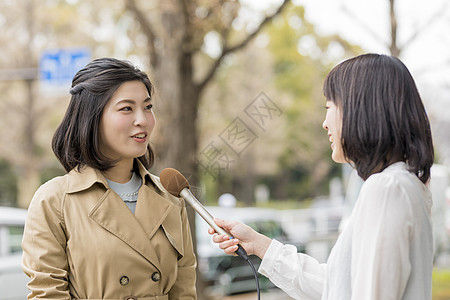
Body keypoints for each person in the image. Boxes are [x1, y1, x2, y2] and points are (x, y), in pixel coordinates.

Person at [209, 53, 434, 300]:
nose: (325, 123)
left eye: (329, 107)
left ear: (362, 109)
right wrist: (258, 244)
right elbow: (337, 287)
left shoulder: (387, 189)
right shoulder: (403, 186)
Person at [22, 58, 197, 299]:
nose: (143, 120)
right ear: (91, 117)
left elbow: (185, 289)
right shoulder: (54, 201)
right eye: (127, 108)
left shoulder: (170, 196)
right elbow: (47, 292)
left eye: (147, 107)